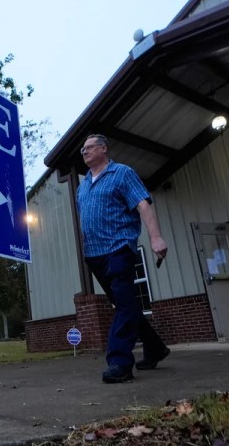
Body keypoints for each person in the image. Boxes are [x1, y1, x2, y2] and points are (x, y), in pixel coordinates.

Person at [76, 134, 170, 384]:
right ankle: (155, 348)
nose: (84, 152)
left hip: (119, 248)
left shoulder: (122, 173)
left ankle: (120, 361)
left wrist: (156, 238)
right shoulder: (83, 184)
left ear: (104, 148)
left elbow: (143, 205)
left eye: (89, 147)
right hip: (94, 254)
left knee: (124, 303)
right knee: (125, 303)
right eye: (82, 149)